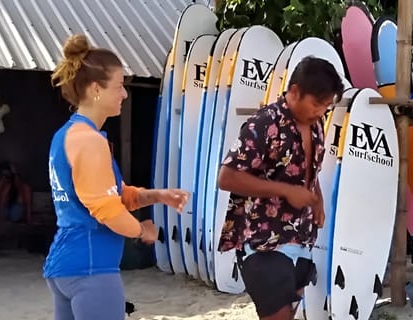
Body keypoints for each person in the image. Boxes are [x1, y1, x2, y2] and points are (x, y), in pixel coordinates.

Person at [42, 34, 188, 320]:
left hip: (65, 267)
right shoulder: (90, 141)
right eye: (120, 86)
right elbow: (106, 210)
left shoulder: (66, 135)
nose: (124, 94)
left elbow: (116, 195)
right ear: (96, 89)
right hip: (91, 268)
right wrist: (142, 230)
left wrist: (157, 195)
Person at [217, 56, 344, 320]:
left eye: (326, 106)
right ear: (295, 91)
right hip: (263, 242)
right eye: (317, 104)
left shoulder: (316, 125)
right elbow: (226, 177)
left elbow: (306, 171)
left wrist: (317, 199)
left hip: (302, 238)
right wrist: (285, 191)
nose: (321, 111)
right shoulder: (264, 124)